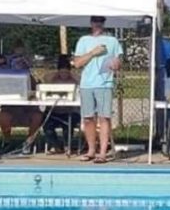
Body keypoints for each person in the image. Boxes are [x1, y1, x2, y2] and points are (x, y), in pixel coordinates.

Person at [73, 16, 124, 163]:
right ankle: (91, 150)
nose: (98, 24)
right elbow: (77, 63)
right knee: (88, 118)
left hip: (104, 83)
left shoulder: (112, 41)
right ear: (91, 23)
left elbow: (118, 61)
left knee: (104, 117)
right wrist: (93, 53)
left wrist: (116, 64)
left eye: (101, 21)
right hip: (86, 84)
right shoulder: (83, 40)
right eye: (95, 21)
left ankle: (102, 152)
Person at [0, 54, 42, 154]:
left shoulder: (28, 77)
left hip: (27, 110)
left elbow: (35, 91)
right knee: (4, 116)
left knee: (38, 116)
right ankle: (8, 142)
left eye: (4, 64)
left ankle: (28, 142)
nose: (2, 67)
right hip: (11, 110)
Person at [40, 54, 80, 154]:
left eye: (66, 72)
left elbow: (81, 80)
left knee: (68, 125)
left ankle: (67, 145)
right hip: (54, 111)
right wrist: (57, 73)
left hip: (69, 111)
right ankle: (55, 145)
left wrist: (70, 73)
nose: (64, 75)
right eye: (61, 72)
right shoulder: (53, 79)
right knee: (47, 125)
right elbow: (45, 77)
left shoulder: (73, 80)